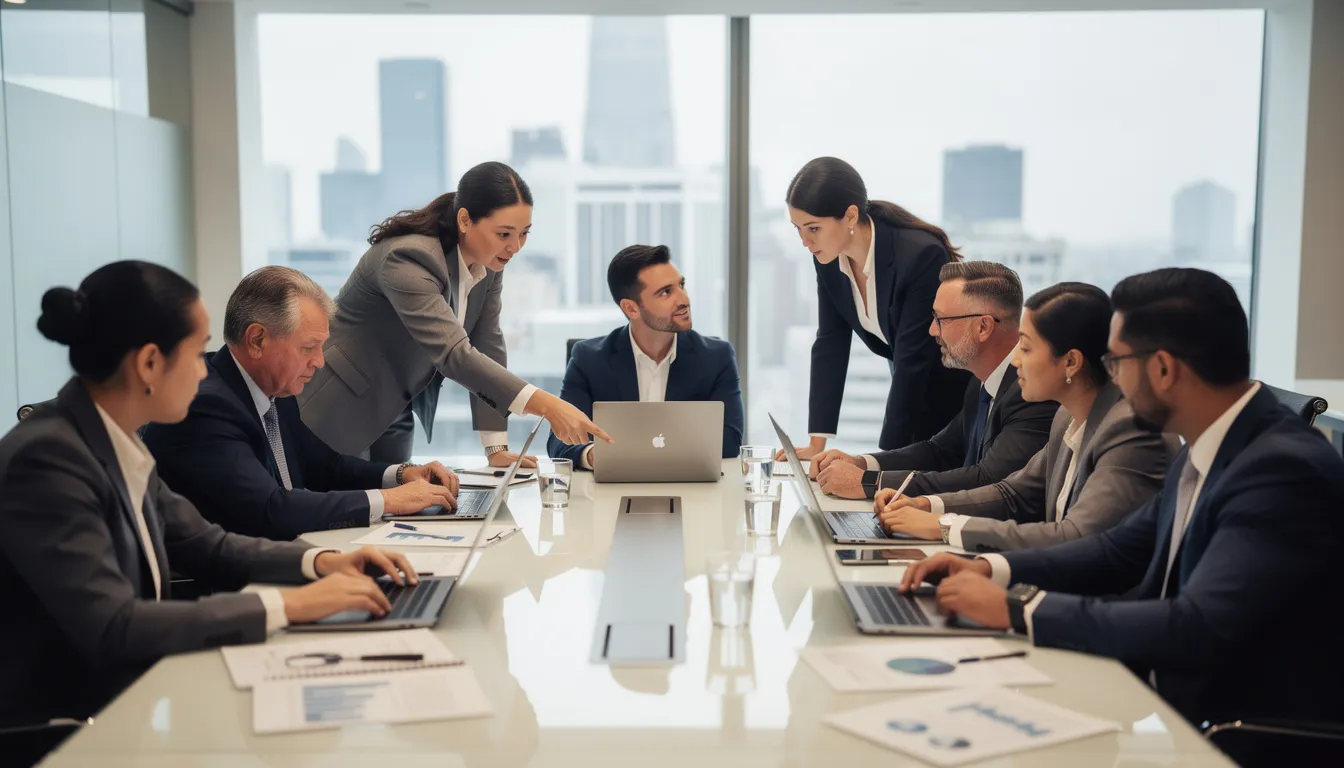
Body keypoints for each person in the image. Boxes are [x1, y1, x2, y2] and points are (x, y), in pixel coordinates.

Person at [900, 268, 1344, 746]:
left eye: (1117, 360)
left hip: (1231, 734)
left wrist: (1019, 609)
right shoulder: (1212, 440)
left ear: (1164, 369)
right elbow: (1117, 550)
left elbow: (1197, 625)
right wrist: (992, 567)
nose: (1108, 374)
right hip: (1166, 701)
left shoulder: (1278, 469)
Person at [0, 261, 421, 733]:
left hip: (125, 701)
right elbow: (114, 627)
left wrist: (321, 563)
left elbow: (208, 544)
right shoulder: (48, 458)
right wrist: (292, 606)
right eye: (199, 354)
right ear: (149, 364)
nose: (207, 369)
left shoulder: (112, 440)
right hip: (59, 731)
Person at [297, 161, 610, 465]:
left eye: (524, 233)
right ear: (464, 221)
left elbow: (487, 343)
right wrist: (547, 405)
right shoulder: (408, 258)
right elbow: (454, 354)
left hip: (396, 408)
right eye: (504, 234)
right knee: (346, 510)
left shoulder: (488, 263)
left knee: (395, 508)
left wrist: (495, 446)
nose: (516, 247)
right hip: (339, 403)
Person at [143, 267, 461, 541]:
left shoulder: (275, 391)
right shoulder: (206, 406)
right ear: (257, 340)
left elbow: (324, 467)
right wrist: (389, 500)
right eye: (308, 348)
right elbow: (269, 509)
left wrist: (403, 475)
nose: (320, 362)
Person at [875, 283, 1178, 551]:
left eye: (1027, 347)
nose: (1016, 359)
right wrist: (925, 505)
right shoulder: (1066, 417)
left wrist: (944, 526)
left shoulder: (1130, 429)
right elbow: (1013, 494)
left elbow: (1075, 536)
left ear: (1071, 362)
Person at [807, 261, 1057, 500]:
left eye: (942, 319)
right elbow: (939, 451)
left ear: (983, 327)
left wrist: (869, 482)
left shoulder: (1032, 392)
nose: (932, 330)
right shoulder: (980, 383)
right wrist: (861, 463)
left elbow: (988, 480)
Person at [778, 157, 971, 459]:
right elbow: (831, 342)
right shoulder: (828, 260)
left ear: (851, 216)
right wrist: (817, 442)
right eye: (798, 229)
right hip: (910, 391)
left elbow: (913, 361)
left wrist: (879, 465)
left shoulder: (919, 255)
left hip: (954, 398)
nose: (805, 241)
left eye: (813, 228)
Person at [547, 245, 744, 468]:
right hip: (609, 492)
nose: (683, 299)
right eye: (665, 292)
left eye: (681, 285)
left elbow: (730, 440)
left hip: (691, 489)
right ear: (631, 309)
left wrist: (630, 450)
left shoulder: (716, 357)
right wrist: (595, 456)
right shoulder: (589, 359)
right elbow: (559, 441)